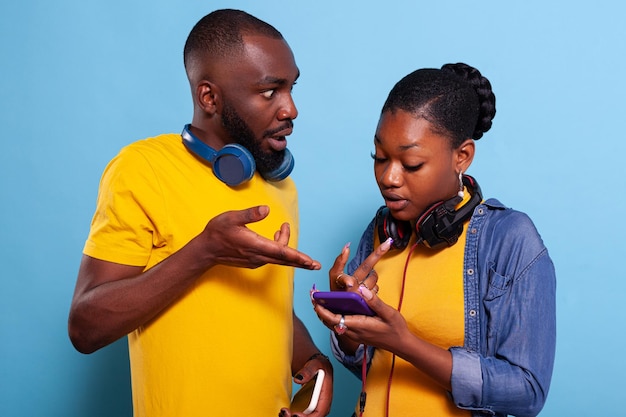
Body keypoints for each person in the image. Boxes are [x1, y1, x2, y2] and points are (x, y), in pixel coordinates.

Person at [68, 9, 333, 417]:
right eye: (270, 91)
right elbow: (85, 327)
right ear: (209, 97)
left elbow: (270, 307)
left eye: (292, 88)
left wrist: (314, 363)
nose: (290, 109)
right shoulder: (143, 170)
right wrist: (204, 252)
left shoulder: (281, 186)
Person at [312, 63, 556, 417]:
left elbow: (527, 391)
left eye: (411, 163)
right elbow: (370, 365)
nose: (389, 177)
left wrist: (406, 345)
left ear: (462, 156)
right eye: (379, 158)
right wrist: (346, 322)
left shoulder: (509, 240)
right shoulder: (381, 233)